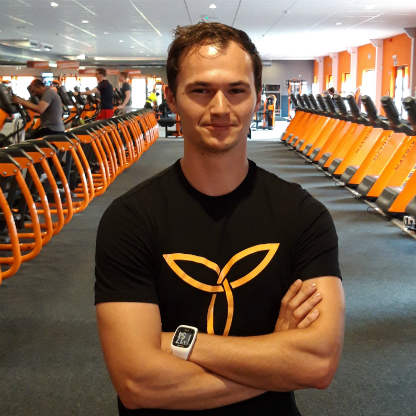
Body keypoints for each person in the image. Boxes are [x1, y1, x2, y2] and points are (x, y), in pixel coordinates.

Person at [95, 22, 345, 416]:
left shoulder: (304, 216)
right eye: (200, 90)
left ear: (258, 97)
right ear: (171, 99)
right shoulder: (129, 220)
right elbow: (138, 383)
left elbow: (318, 363)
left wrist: (180, 343)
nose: (220, 108)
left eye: (237, 90)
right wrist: (277, 359)